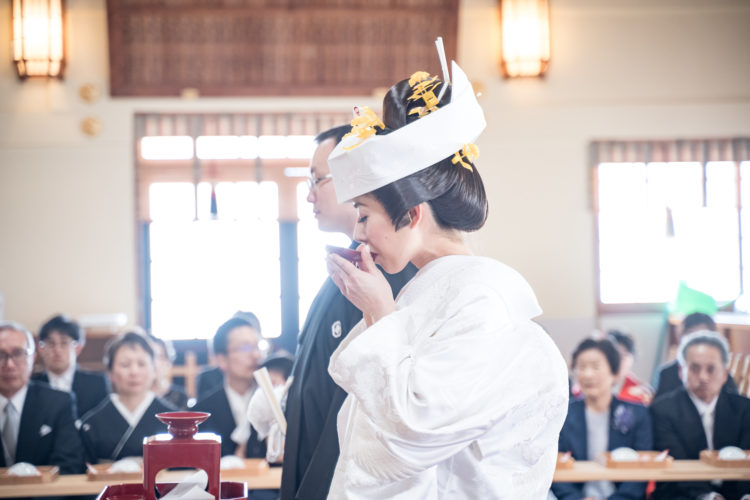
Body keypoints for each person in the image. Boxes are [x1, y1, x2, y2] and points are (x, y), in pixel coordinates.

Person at [323, 50, 569, 497]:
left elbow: (412, 435)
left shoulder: (482, 299)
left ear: (412, 214)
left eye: (364, 215)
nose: (359, 234)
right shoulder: (427, 293)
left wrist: (380, 310)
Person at [253, 126, 416, 500]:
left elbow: (359, 402)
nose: (309, 195)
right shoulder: (351, 265)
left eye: (317, 179)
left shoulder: (385, 274)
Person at [650, 330, 750, 500]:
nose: (703, 377)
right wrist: (710, 497)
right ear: (681, 372)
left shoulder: (744, 408)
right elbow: (679, 465)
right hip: (683, 494)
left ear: (725, 374)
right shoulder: (662, 409)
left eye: (711, 369)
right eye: (695, 368)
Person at [552, 338, 652, 500]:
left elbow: (642, 469)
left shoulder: (637, 413)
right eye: (581, 367)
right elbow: (555, 466)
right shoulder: (563, 413)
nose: (587, 374)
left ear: (614, 372)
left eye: (595, 367)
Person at [79, 330, 177, 463]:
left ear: (154, 370)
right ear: (110, 373)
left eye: (141, 364)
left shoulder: (173, 420)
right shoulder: (91, 424)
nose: (134, 372)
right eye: (125, 365)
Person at [0, 320, 84, 473]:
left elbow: (68, 464)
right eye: (1, 355)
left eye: (18, 353)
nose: (9, 364)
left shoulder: (58, 402)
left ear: (32, 358)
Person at [193, 313, 267, 459]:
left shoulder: (273, 401)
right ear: (221, 360)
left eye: (257, 346)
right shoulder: (201, 413)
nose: (256, 355)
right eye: (245, 348)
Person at [31, 314, 109, 418]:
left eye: (64, 343)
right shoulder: (32, 386)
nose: (57, 350)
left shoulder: (97, 383)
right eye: (51, 343)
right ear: (41, 349)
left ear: (78, 348)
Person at [654, 313, 737, 398]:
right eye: (691, 336)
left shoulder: (720, 374)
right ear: (680, 338)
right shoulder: (667, 374)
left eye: (703, 337)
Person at [608, 330, 653, 405]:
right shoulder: (590, 387)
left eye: (624, 356)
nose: (618, 360)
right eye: (615, 355)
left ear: (633, 358)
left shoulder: (642, 393)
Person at [148, 334, 189, 409]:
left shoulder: (181, 397)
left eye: (159, 357)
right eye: (149, 356)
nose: (154, 362)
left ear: (168, 361)